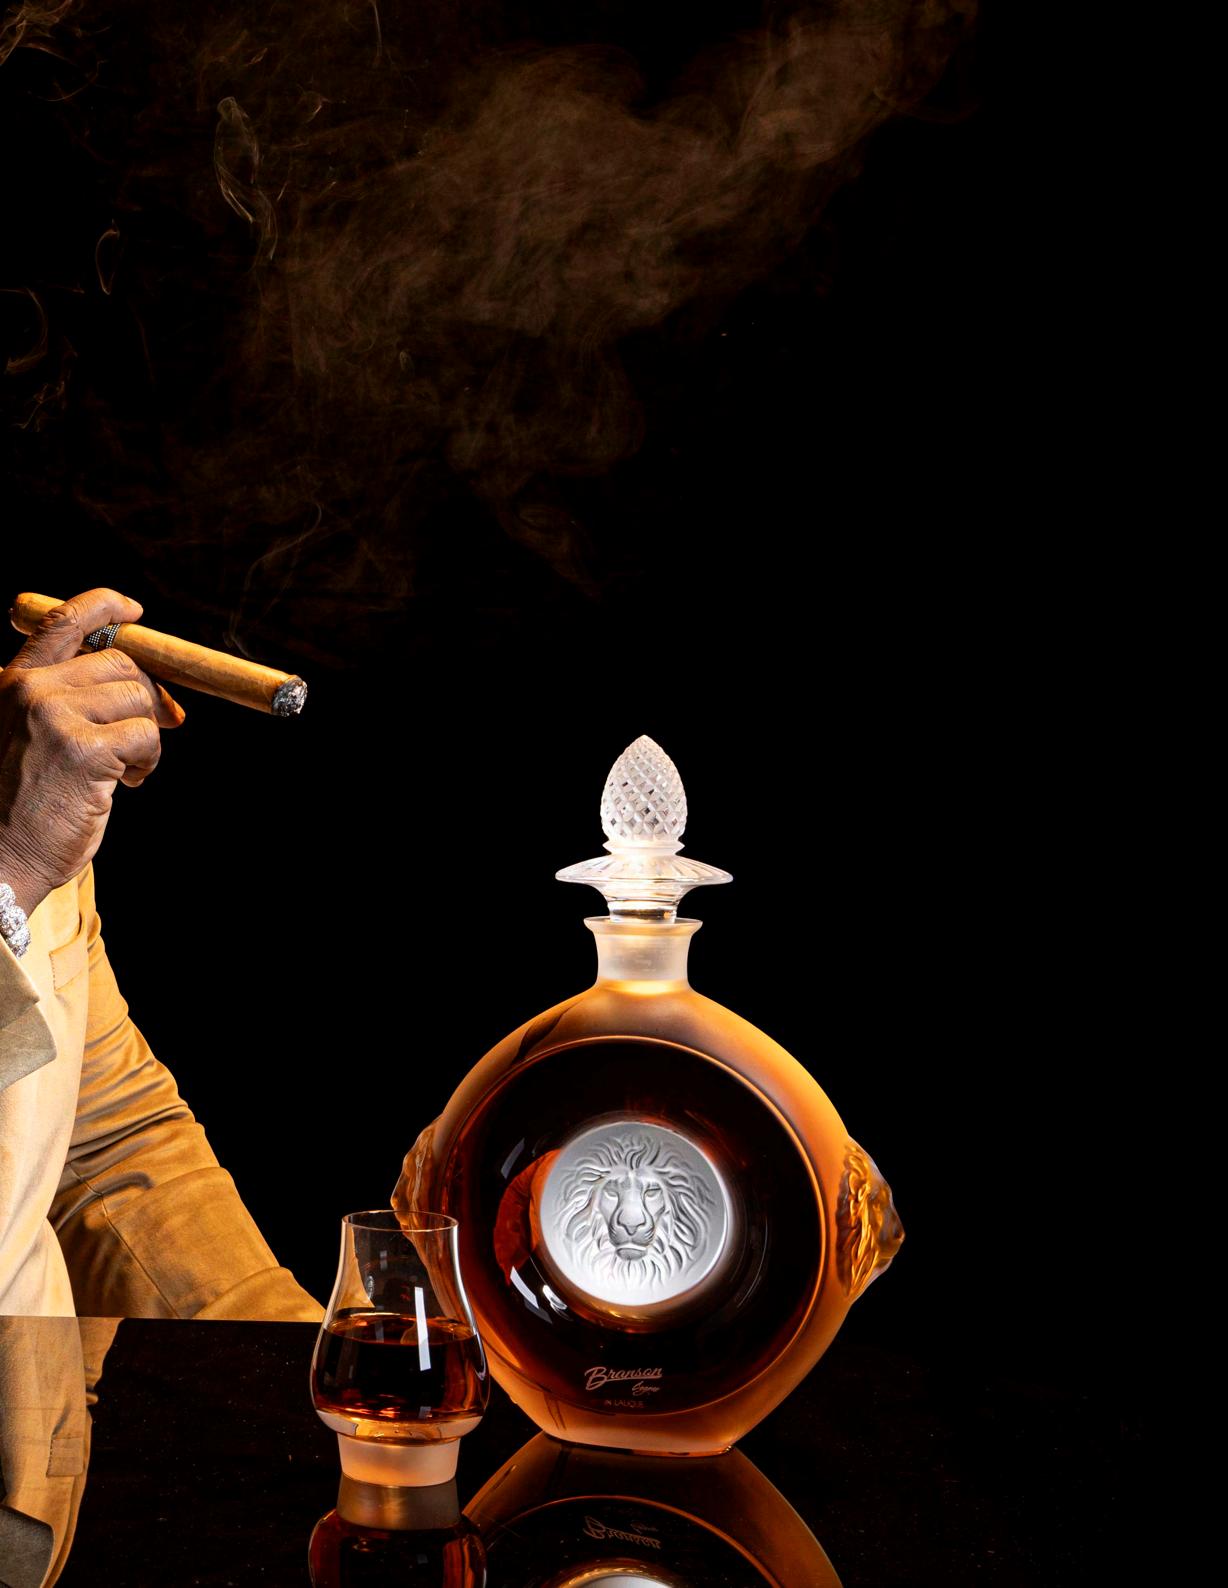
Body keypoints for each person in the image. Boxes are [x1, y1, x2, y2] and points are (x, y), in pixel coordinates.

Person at [0, 588, 321, 1323]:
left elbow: (109, 1147)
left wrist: (292, 1358)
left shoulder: (11, 764)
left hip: (35, 1393)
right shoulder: (15, 810)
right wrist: (12, 867)